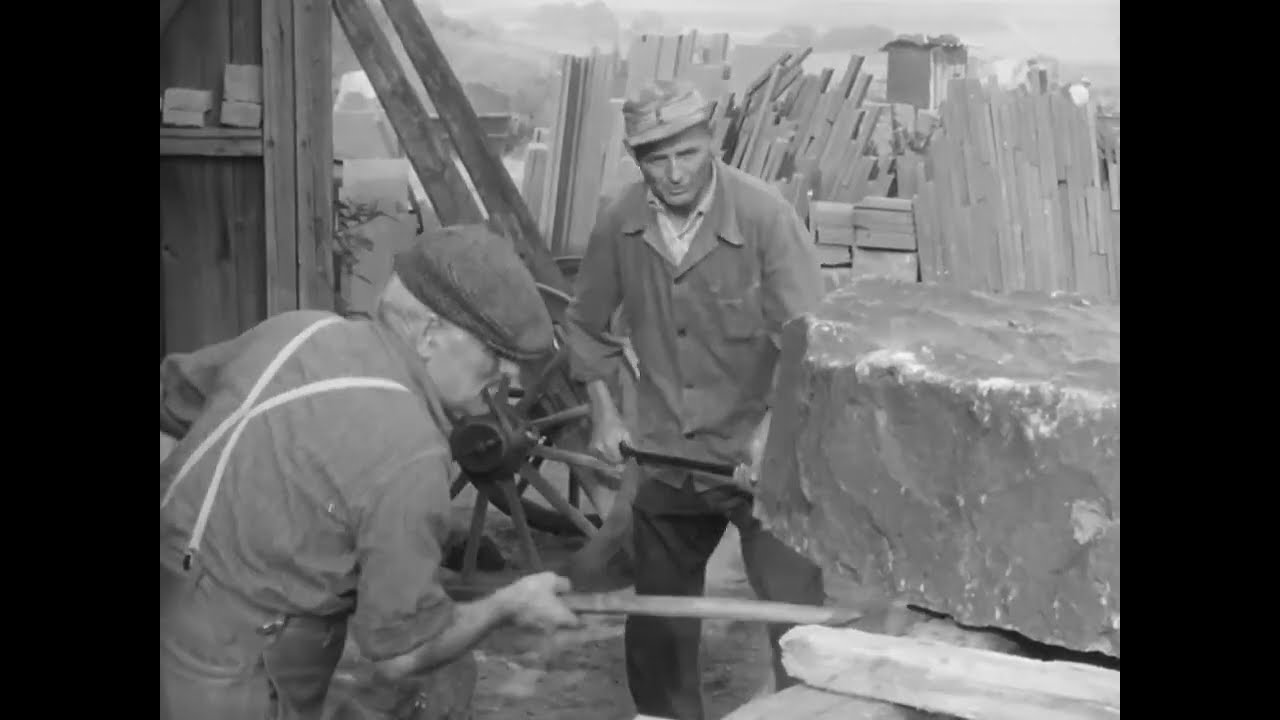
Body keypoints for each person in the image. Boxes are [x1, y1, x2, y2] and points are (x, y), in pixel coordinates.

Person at [159, 224, 580, 720]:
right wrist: (507, 604)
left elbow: (171, 401)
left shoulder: (298, 330)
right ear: (429, 335)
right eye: (495, 353)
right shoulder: (413, 453)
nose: (509, 373)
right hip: (241, 675)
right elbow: (401, 652)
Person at [563, 79, 828, 720]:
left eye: (687, 152)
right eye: (658, 159)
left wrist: (770, 433)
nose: (676, 173)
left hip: (764, 456)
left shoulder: (765, 218)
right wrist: (604, 411)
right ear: (637, 159)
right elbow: (584, 325)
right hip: (669, 453)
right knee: (660, 622)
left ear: (712, 140)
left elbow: (810, 342)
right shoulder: (620, 222)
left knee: (799, 622)